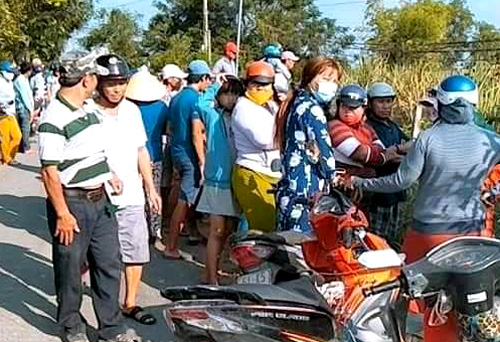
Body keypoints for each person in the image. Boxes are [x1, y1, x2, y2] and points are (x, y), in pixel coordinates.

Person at [351, 75, 500, 342]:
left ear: (441, 103)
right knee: (468, 302)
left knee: (420, 300)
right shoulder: (492, 141)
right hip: (474, 236)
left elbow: (401, 181)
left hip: (428, 235)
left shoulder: (428, 139)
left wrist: (361, 182)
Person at [38, 50, 143, 342]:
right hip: (73, 203)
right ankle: (72, 326)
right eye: (96, 76)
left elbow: (92, 150)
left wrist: (108, 174)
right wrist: (62, 214)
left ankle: (111, 329)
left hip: (101, 201)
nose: (99, 81)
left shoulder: (85, 109)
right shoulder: (54, 118)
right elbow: (49, 172)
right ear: (86, 79)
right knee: (70, 269)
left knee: (108, 264)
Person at [93, 54, 161, 326]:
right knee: (98, 255)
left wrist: (150, 189)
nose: (117, 88)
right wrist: (105, 174)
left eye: (121, 82)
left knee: (135, 250)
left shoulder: (132, 110)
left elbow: (140, 150)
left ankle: (130, 302)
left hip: (131, 194)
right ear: (99, 83)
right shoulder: (87, 110)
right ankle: (93, 304)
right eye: (111, 83)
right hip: (98, 195)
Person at [275, 56, 341, 234]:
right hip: (305, 192)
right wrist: (333, 176)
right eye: (326, 79)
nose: (331, 85)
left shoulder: (296, 103)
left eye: (335, 81)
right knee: (302, 251)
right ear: (310, 78)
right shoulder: (312, 110)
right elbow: (324, 148)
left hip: (290, 189)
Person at [192, 76, 245, 284]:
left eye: (234, 93)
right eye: (226, 93)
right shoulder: (214, 115)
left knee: (228, 231)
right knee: (217, 230)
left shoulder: (242, 116)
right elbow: (201, 103)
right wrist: (215, 83)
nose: (230, 98)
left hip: (236, 179)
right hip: (217, 181)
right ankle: (212, 278)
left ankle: (211, 270)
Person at [164, 60, 213, 260]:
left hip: (176, 149)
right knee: (185, 199)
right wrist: (202, 161)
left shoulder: (177, 98)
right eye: (208, 79)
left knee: (179, 193)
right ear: (202, 78)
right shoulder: (196, 100)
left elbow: (170, 126)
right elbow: (196, 133)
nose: (209, 83)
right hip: (188, 153)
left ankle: (172, 228)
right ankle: (171, 245)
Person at [232, 61, 281, 233]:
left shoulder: (271, 105)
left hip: (272, 174)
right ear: (247, 84)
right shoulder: (243, 108)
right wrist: (289, 135)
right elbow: (265, 140)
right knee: (262, 233)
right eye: (256, 84)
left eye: (266, 84)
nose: (262, 88)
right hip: (252, 172)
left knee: (269, 228)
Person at [125, 67, 169, 243]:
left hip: (133, 156)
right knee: (154, 192)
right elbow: (167, 131)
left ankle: (139, 228)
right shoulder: (162, 107)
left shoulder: (127, 107)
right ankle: (155, 230)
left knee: (136, 194)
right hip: (155, 155)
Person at [365, 82, 411, 244]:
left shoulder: (392, 126)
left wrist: (399, 151)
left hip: (397, 192)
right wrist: (401, 155)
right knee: (376, 240)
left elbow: (411, 145)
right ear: (370, 103)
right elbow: (383, 156)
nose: (385, 106)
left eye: (388, 101)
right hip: (379, 193)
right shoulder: (368, 127)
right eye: (380, 102)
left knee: (392, 237)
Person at [0, 60, 22, 165]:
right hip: (2, 113)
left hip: (11, 112)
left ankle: (8, 156)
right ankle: (7, 158)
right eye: (10, 71)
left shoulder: (9, 82)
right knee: (5, 137)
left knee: (17, 136)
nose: (12, 74)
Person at [14, 61, 35, 153]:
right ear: (29, 70)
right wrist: (30, 109)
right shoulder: (20, 80)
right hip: (23, 107)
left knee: (23, 127)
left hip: (24, 107)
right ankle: (26, 147)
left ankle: (22, 147)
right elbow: (25, 96)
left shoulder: (23, 80)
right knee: (25, 128)